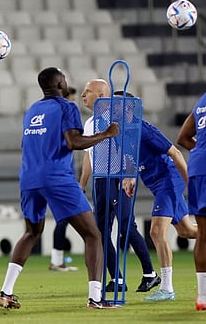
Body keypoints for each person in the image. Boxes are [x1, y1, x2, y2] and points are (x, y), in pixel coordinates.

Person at [0, 67, 120, 310]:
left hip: (29, 178)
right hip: (56, 176)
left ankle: (5, 292)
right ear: (60, 83)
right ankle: (96, 298)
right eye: (65, 78)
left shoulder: (32, 110)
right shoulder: (67, 107)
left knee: (31, 233)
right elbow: (73, 141)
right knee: (92, 235)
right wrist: (106, 134)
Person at [114, 90, 197, 301]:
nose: (111, 109)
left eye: (116, 105)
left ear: (128, 108)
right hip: (156, 183)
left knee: (157, 232)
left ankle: (167, 288)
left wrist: (191, 184)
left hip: (168, 180)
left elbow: (175, 152)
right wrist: (129, 177)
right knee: (187, 231)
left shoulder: (143, 128)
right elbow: (131, 158)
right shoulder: (121, 132)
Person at [79, 79, 160, 293]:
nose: (82, 95)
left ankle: (150, 273)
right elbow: (89, 156)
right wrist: (82, 183)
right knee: (100, 232)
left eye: (87, 91)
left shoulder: (118, 119)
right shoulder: (89, 123)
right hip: (100, 180)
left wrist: (129, 175)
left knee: (126, 226)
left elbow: (130, 149)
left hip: (119, 177)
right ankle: (117, 278)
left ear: (101, 95)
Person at [177, 92, 206, 310]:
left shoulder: (201, 102)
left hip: (198, 169)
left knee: (203, 235)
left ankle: (203, 297)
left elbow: (183, 138)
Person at [50, 86, 78, 272]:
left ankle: (57, 260)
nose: (74, 103)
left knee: (63, 219)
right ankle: (56, 261)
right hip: (59, 177)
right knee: (64, 219)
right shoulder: (64, 118)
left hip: (62, 175)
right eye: (72, 99)